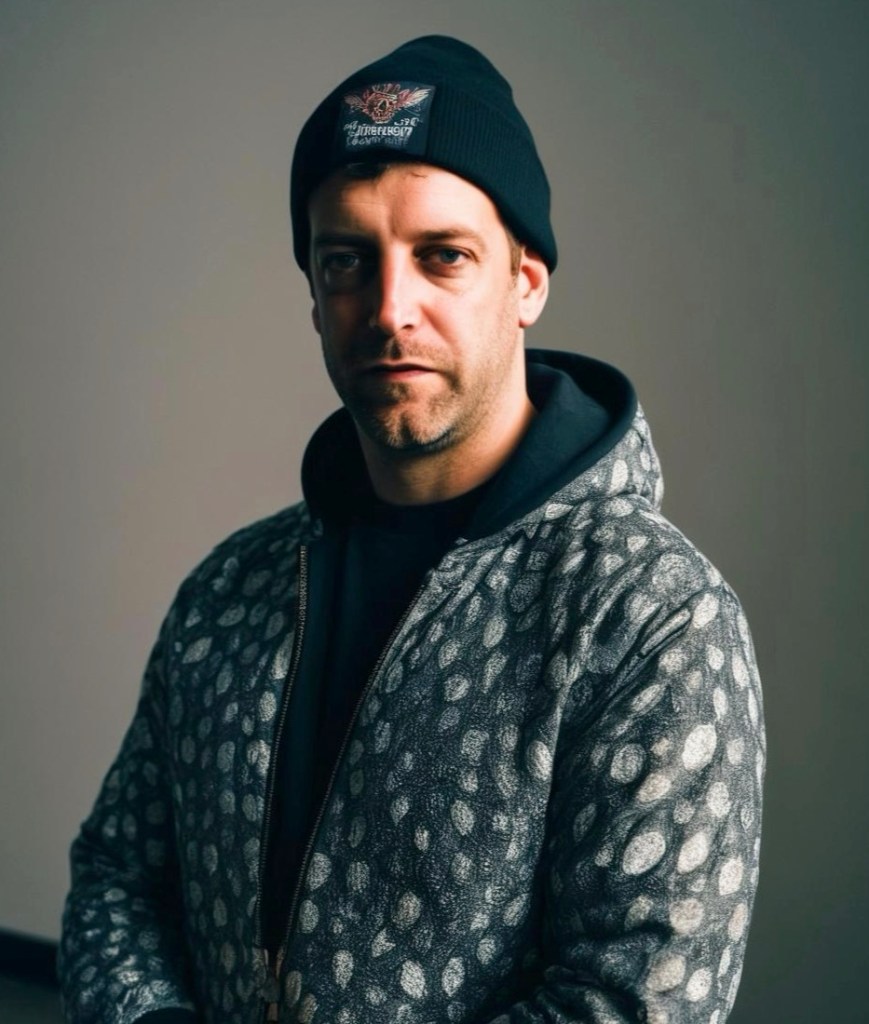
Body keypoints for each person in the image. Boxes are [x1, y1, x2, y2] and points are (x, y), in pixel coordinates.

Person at [59, 35, 765, 1024]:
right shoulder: (233, 587)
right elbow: (119, 877)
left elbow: (630, 1000)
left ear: (525, 281)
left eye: (443, 257)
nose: (390, 309)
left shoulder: (650, 618)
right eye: (347, 261)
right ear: (315, 297)